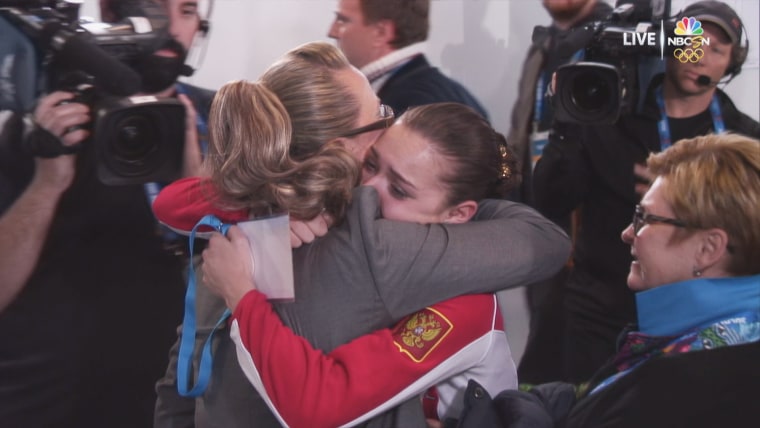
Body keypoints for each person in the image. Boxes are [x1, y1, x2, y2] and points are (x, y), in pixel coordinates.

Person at [153, 41, 571, 428]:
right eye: (380, 118)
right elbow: (543, 241)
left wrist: (261, 225)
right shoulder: (366, 241)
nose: (370, 192)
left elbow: (174, 204)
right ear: (339, 147)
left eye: (400, 187)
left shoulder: (229, 235)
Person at [0, 0, 214, 426]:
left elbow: (255, 288)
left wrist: (200, 193)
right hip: (44, 402)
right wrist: (48, 182)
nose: (172, 28)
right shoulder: (48, 127)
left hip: (167, 402)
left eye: (187, 11)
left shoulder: (221, 121)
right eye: (156, 7)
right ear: (116, 17)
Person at [454, 132, 760, 428]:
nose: (628, 232)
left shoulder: (684, 382)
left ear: (708, 248)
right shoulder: (713, 343)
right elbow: (591, 402)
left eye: (645, 218)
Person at [532, 0, 760, 383]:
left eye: (716, 49)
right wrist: (568, 116)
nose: (700, 56)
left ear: (731, 66)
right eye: (691, 42)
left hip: (698, 324)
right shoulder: (607, 114)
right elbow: (551, 199)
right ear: (667, 46)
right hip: (598, 313)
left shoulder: (744, 142)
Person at [506, 0, 612, 384]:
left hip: (594, 232)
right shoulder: (544, 45)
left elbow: (693, 50)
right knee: (547, 357)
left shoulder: (622, 37)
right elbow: (524, 129)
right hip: (540, 215)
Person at [327, 0, 488, 118]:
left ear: (381, 33)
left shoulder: (411, 105)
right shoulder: (448, 94)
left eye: (342, 20)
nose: (332, 31)